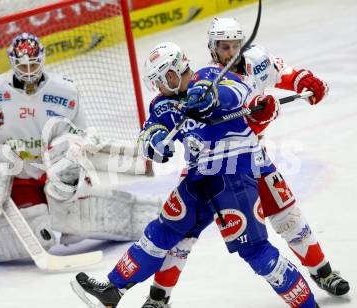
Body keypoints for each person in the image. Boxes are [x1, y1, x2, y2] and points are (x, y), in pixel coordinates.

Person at [71, 42, 319, 308]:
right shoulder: (164, 103)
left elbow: (241, 93)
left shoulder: (211, 77)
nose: (158, 88)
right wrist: (154, 141)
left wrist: (212, 97)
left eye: (159, 81)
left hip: (233, 174)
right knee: (163, 229)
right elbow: (148, 131)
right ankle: (113, 289)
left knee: (254, 249)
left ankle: (308, 304)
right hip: (198, 178)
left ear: (171, 75)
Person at [142, 18, 349, 308]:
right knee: (182, 234)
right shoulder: (205, 79)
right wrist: (256, 117)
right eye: (224, 47)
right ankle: (158, 298)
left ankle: (323, 272)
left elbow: (288, 74)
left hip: (253, 158)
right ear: (213, 48)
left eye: (235, 45)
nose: (230, 52)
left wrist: (307, 82)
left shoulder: (258, 60)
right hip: (209, 164)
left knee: (289, 216)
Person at [0, 32, 160, 269]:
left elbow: (82, 133)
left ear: (42, 59)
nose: (29, 70)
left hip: (57, 172)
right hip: (19, 179)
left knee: (76, 221)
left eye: (33, 63)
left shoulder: (65, 91)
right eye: (23, 64)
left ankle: (140, 216)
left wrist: (70, 149)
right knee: (40, 232)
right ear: (12, 62)